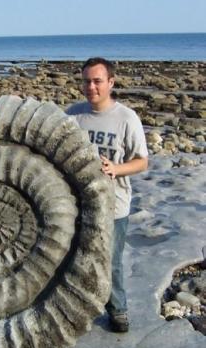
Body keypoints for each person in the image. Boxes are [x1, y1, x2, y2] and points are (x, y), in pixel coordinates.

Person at [66, 57, 148, 333]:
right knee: (74, 260)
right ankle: (79, 308)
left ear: (110, 83)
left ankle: (118, 311)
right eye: (87, 81)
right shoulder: (72, 115)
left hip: (115, 207)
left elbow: (142, 161)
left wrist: (115, 168)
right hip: (77, 206)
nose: (91, 87)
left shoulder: (126, 118)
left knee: (110, 262)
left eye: (97, 81)